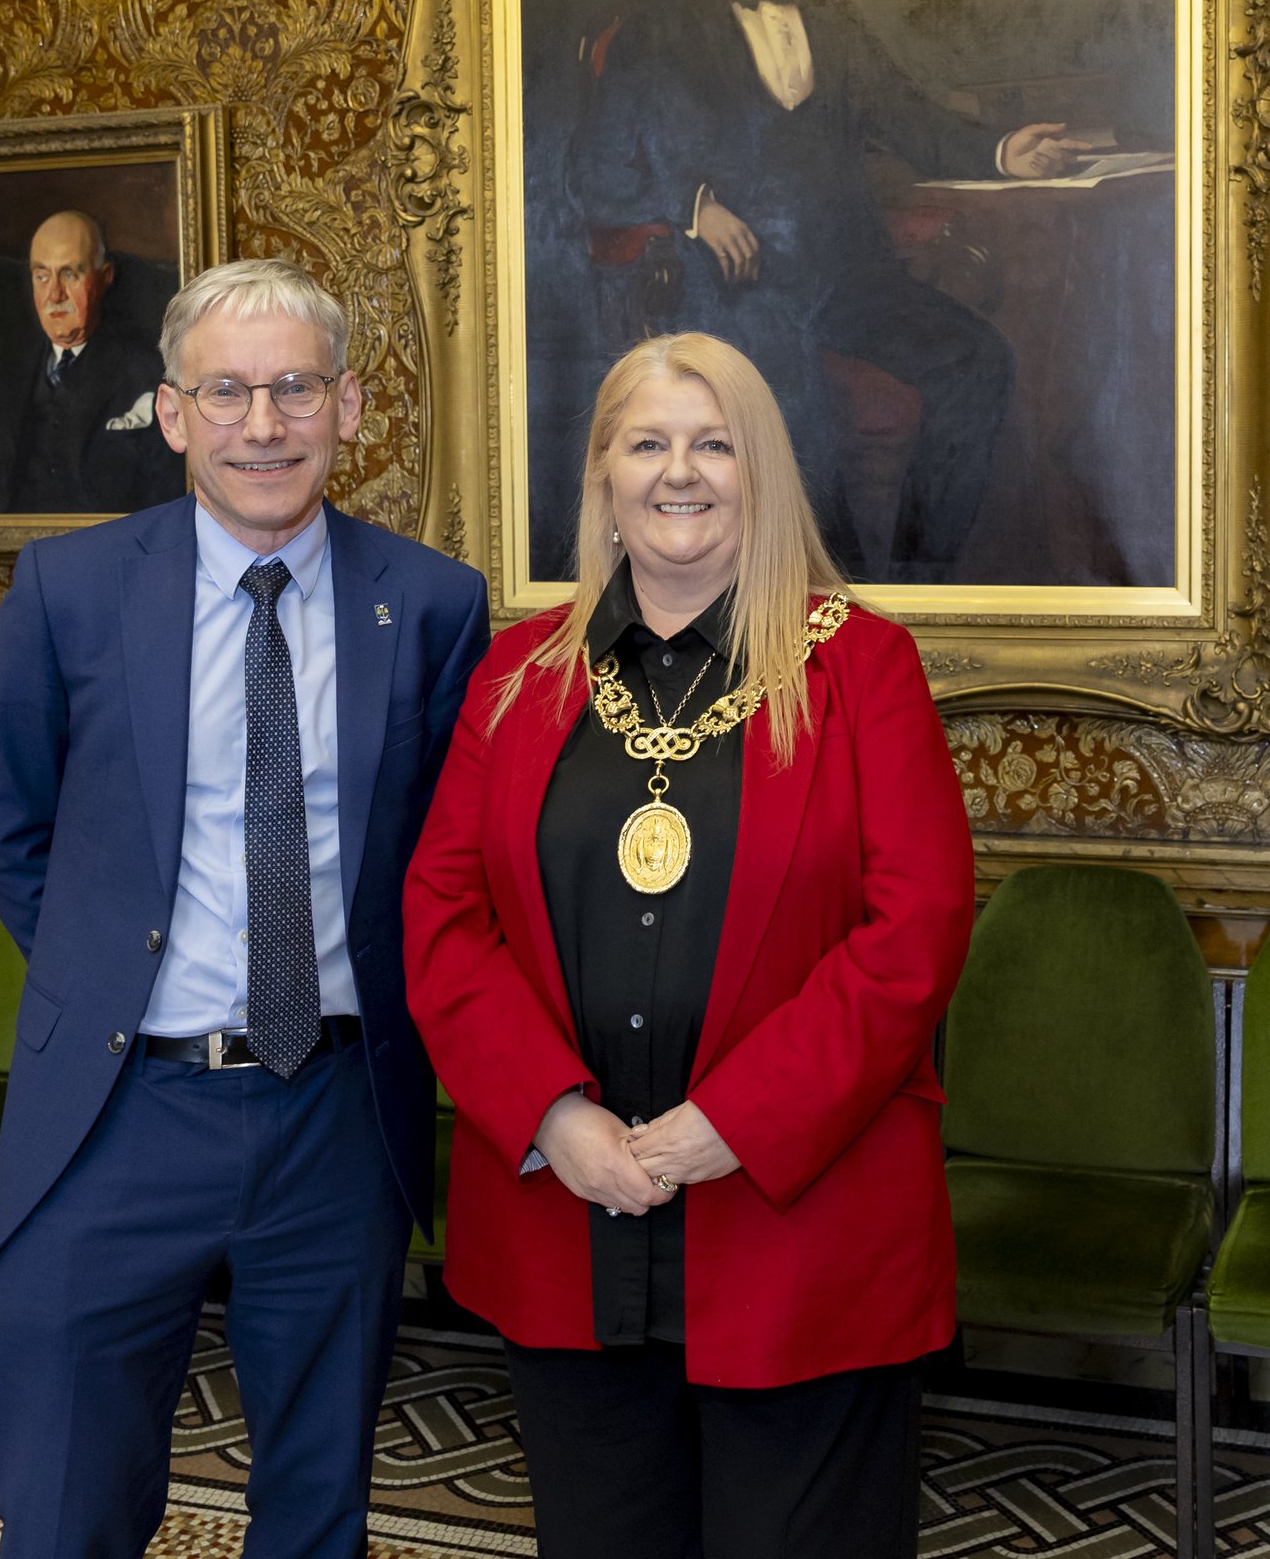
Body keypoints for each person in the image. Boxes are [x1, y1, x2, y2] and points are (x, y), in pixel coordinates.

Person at [402, 331, 974, 1557]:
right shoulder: (514, 678)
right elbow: (444, 922)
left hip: (802, 1233)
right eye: (647, 443)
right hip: (568, 1218)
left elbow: (911, 935)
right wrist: (552, 1116)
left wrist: (738, 1122)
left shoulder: (863, 670)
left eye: (715, 443)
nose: (681, 472)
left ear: (760, 472)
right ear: (602, 475)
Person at [0, 257, 491, 1559]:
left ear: (351, 407)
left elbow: (453, 857)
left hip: (336, 1114)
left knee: (317, 1507)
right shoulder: (70, 591)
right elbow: (11, 823)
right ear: (171, 411)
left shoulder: (431, 606)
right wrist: (108, 982)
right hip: (115, 1112)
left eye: (296, 388)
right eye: (229, 392)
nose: (265, 425)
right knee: (65, 1503)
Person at [566, 0, 1090, 579]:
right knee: (797, 418)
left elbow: (911, 118)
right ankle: (823, 621)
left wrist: (1005, 149)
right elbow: (590, 174)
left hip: (851, 281)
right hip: (736, 296)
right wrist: (694, 207)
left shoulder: (834, 18)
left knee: (980, 361)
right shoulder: (662, 29)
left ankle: (918, 588)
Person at [1, 209, 181, 512]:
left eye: (69, 273)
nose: (54, 294)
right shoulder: (3, 378)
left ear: (105, 276)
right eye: (42, 276)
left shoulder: (146, 372)